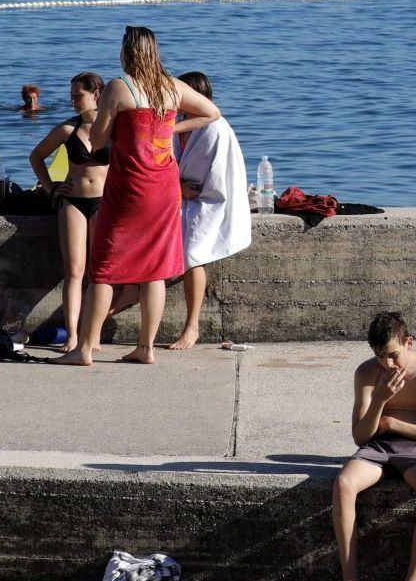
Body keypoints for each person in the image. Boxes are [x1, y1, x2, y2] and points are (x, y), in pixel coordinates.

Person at [52, 26, 218, 367]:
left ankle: (83, 350)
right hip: (164, 186)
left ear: (127, 52)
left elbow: (97, 141)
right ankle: (146, 347)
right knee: (154, 269)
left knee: (105, 268)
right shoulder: (171, 86)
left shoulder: (119, 87)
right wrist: (171, 127)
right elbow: (210, 113)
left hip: (129, 186)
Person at [332, 312, 416, 581]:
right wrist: (380, 400)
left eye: (393, 355)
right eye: (380, 356)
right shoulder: (366, 373)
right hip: (377, 447)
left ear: (408, 343)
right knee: (344, 483)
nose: (388, 364)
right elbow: (360, 436)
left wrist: (392, 422)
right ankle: (350, 579)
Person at [27, 72, 111, 351]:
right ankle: (73, 334)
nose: (73, 100)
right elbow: (36, 156)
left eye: (79, 95)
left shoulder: (113, 128)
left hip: (103, 202)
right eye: (71, 95)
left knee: (99, 272)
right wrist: (51, 187)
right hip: (73, 202)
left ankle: (93, 333)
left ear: (96, 94)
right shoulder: (67, 129)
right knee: (74, 270)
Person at [170, 71, 251, 350]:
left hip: (211, 201)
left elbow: (212, 180)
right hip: (180, 196)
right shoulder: (179, 124)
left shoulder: (214, 128)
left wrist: (179, 187)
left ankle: (192, 327)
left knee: (193, 253)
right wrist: (175, 187)